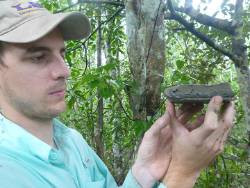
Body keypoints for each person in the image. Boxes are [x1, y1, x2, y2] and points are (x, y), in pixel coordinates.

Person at [0, 0, 235, 188]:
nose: (65, 70)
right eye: (38, 57)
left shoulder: (71, 141)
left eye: (62, 53)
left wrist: (143, 172)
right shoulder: (8, 173)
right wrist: (182, 174)